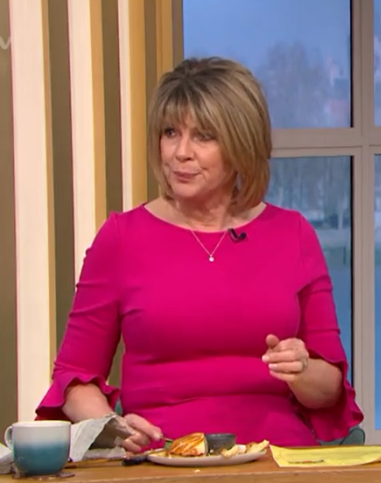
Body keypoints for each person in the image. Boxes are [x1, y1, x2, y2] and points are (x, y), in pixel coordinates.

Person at [36, 57, 363, 450]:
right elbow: (74, 377)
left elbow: (329, 391)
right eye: (171, 132)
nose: (180, 152)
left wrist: (302, 368)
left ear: (241, 144)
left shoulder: (292, 234)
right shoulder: (122, 238)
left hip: (275, 458)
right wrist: (114, 427)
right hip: (165, 457)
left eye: (203, 136)